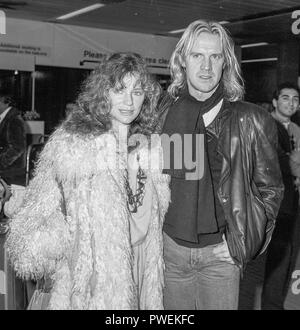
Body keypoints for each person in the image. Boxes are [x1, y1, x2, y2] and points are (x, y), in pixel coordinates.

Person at [5, 52, 170, 310]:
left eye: (137, 92)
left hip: (141, 270)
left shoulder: (151, 148)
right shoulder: (72, 146)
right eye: (119, 89)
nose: (129, 101)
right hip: (93, 279)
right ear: (103, 93)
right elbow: (36, 221)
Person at [156, 19, 284, 310]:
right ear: (182, 61)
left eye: (215, 57)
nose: (206, 66)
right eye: (197, 55)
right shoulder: (163, 114)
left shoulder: (251, 119)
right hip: (169, 252)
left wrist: (243, 242)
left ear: (226, 63)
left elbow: (271, 191)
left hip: (219, 255)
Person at [261, 82, 300, 310]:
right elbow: (285, 165)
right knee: (276, 263)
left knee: (289, 261)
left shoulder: (296, 130)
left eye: (295, 99)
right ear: (275, 102)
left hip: (294, 205)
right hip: (274, 206)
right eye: (285, 98)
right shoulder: (266, 125)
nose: (291, 103)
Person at [0, 94, 26, 186]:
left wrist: (1, 163)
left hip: (11, 172)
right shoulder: (6, 117)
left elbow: (18, 148)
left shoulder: (14, 119)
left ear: (6, 103)